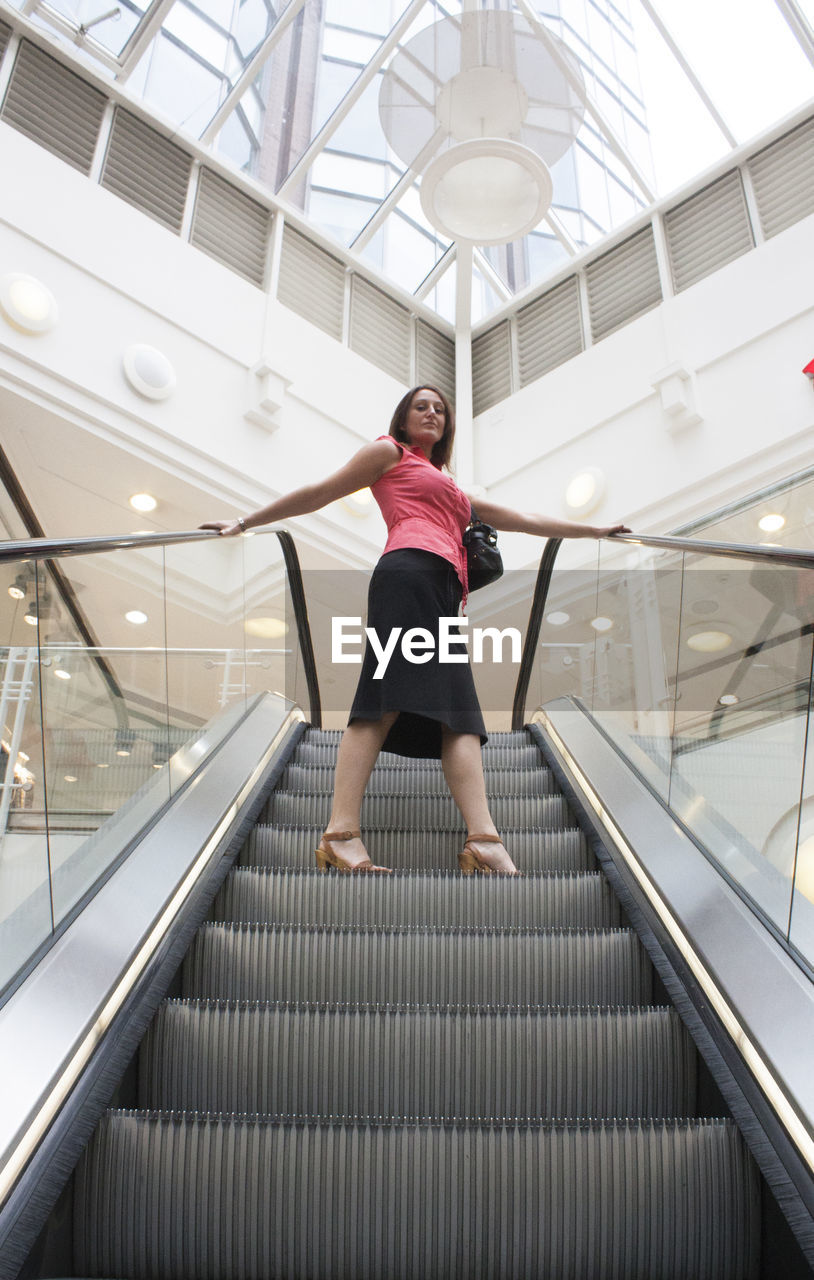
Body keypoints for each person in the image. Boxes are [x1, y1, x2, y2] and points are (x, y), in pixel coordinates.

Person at [201, 385, 630, 876]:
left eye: (441, 410)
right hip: (407, 577)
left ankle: (484, 840)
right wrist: (244, 520)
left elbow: (524, 519)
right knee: (384, 700)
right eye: (421, 407)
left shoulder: (450, 487)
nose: (432, 414)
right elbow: (319, 493)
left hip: (446, 596)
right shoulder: (389, 452)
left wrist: (593, 532)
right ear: (403, 420)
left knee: (461, 715)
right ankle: (341, 833)